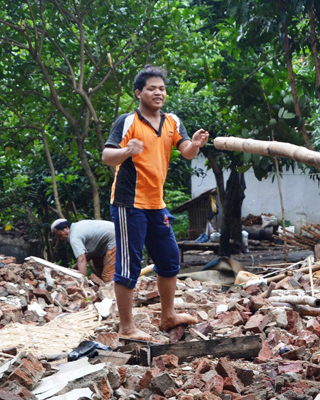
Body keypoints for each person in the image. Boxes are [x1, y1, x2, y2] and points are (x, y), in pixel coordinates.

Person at [102, 65, 208, 340]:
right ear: (139, 93)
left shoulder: (172, 120)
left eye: (161, 88)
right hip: (129, 203)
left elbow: (185, 151)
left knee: (170, 258)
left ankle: (168, 315)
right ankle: (126, 328)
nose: (158, 92)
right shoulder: (128, 121)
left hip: (156, 204)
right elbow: (106, 156)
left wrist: (195, 144)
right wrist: (127, 151)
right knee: (129, 266)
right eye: (151, 88)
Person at [51, 218, 116, 282]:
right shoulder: (79, 225)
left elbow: (82, 258)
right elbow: (90, 254)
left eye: (60, 235)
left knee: (108, 277)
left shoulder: (74, 237)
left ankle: (111, 289)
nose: (61, 239)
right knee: (97, 262)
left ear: (66, 227)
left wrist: (81, 280)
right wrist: (74, 268)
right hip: (115, 234)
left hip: (115, 239)